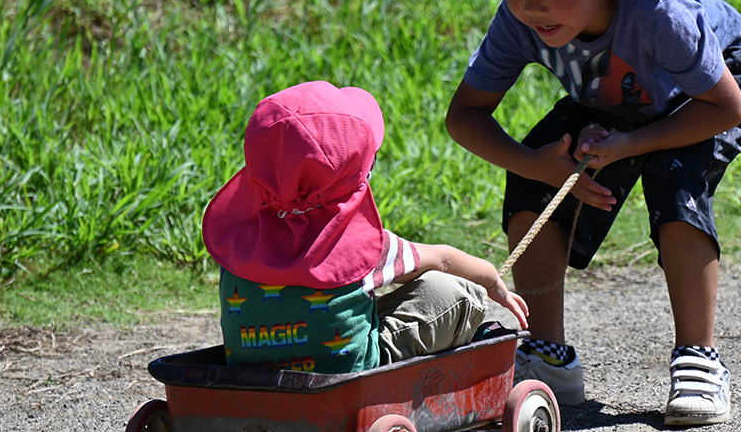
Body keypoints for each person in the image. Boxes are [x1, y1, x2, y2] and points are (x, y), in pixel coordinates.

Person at [444, 0, 741, 425]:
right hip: (614, 92)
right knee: (533, 170)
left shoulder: (658, 11)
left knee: (674, 176)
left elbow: (726, 108)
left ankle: (699, 357)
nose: (533, 6)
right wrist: (538, 167)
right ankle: (548, 358)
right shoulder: (520, 20)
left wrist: (630, 144)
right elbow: (465, 116)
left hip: (709, 91)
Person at [202, 81, 528, 373]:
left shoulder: (236, 238)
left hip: (248, 370)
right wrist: (491, 280)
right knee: (458, 291)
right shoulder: (363, 245)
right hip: (346, 372)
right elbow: (442, 259)